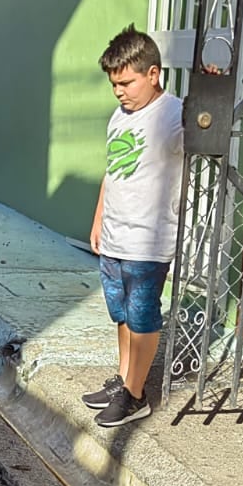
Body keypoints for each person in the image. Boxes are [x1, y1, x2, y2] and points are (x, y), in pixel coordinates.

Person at [82, 26, 184, 429]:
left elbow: (209, 130)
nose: (120, 92)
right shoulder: (119, 116)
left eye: (127, 82)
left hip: (148, 238)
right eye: (114, 85)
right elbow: (112, 171)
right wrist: (98, 218)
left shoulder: (173, 114)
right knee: (120, 312)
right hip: (115, 235)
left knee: (142, 315)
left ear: (153, 73)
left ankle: (136, 394)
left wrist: (211, 88)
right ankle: (124, 378)